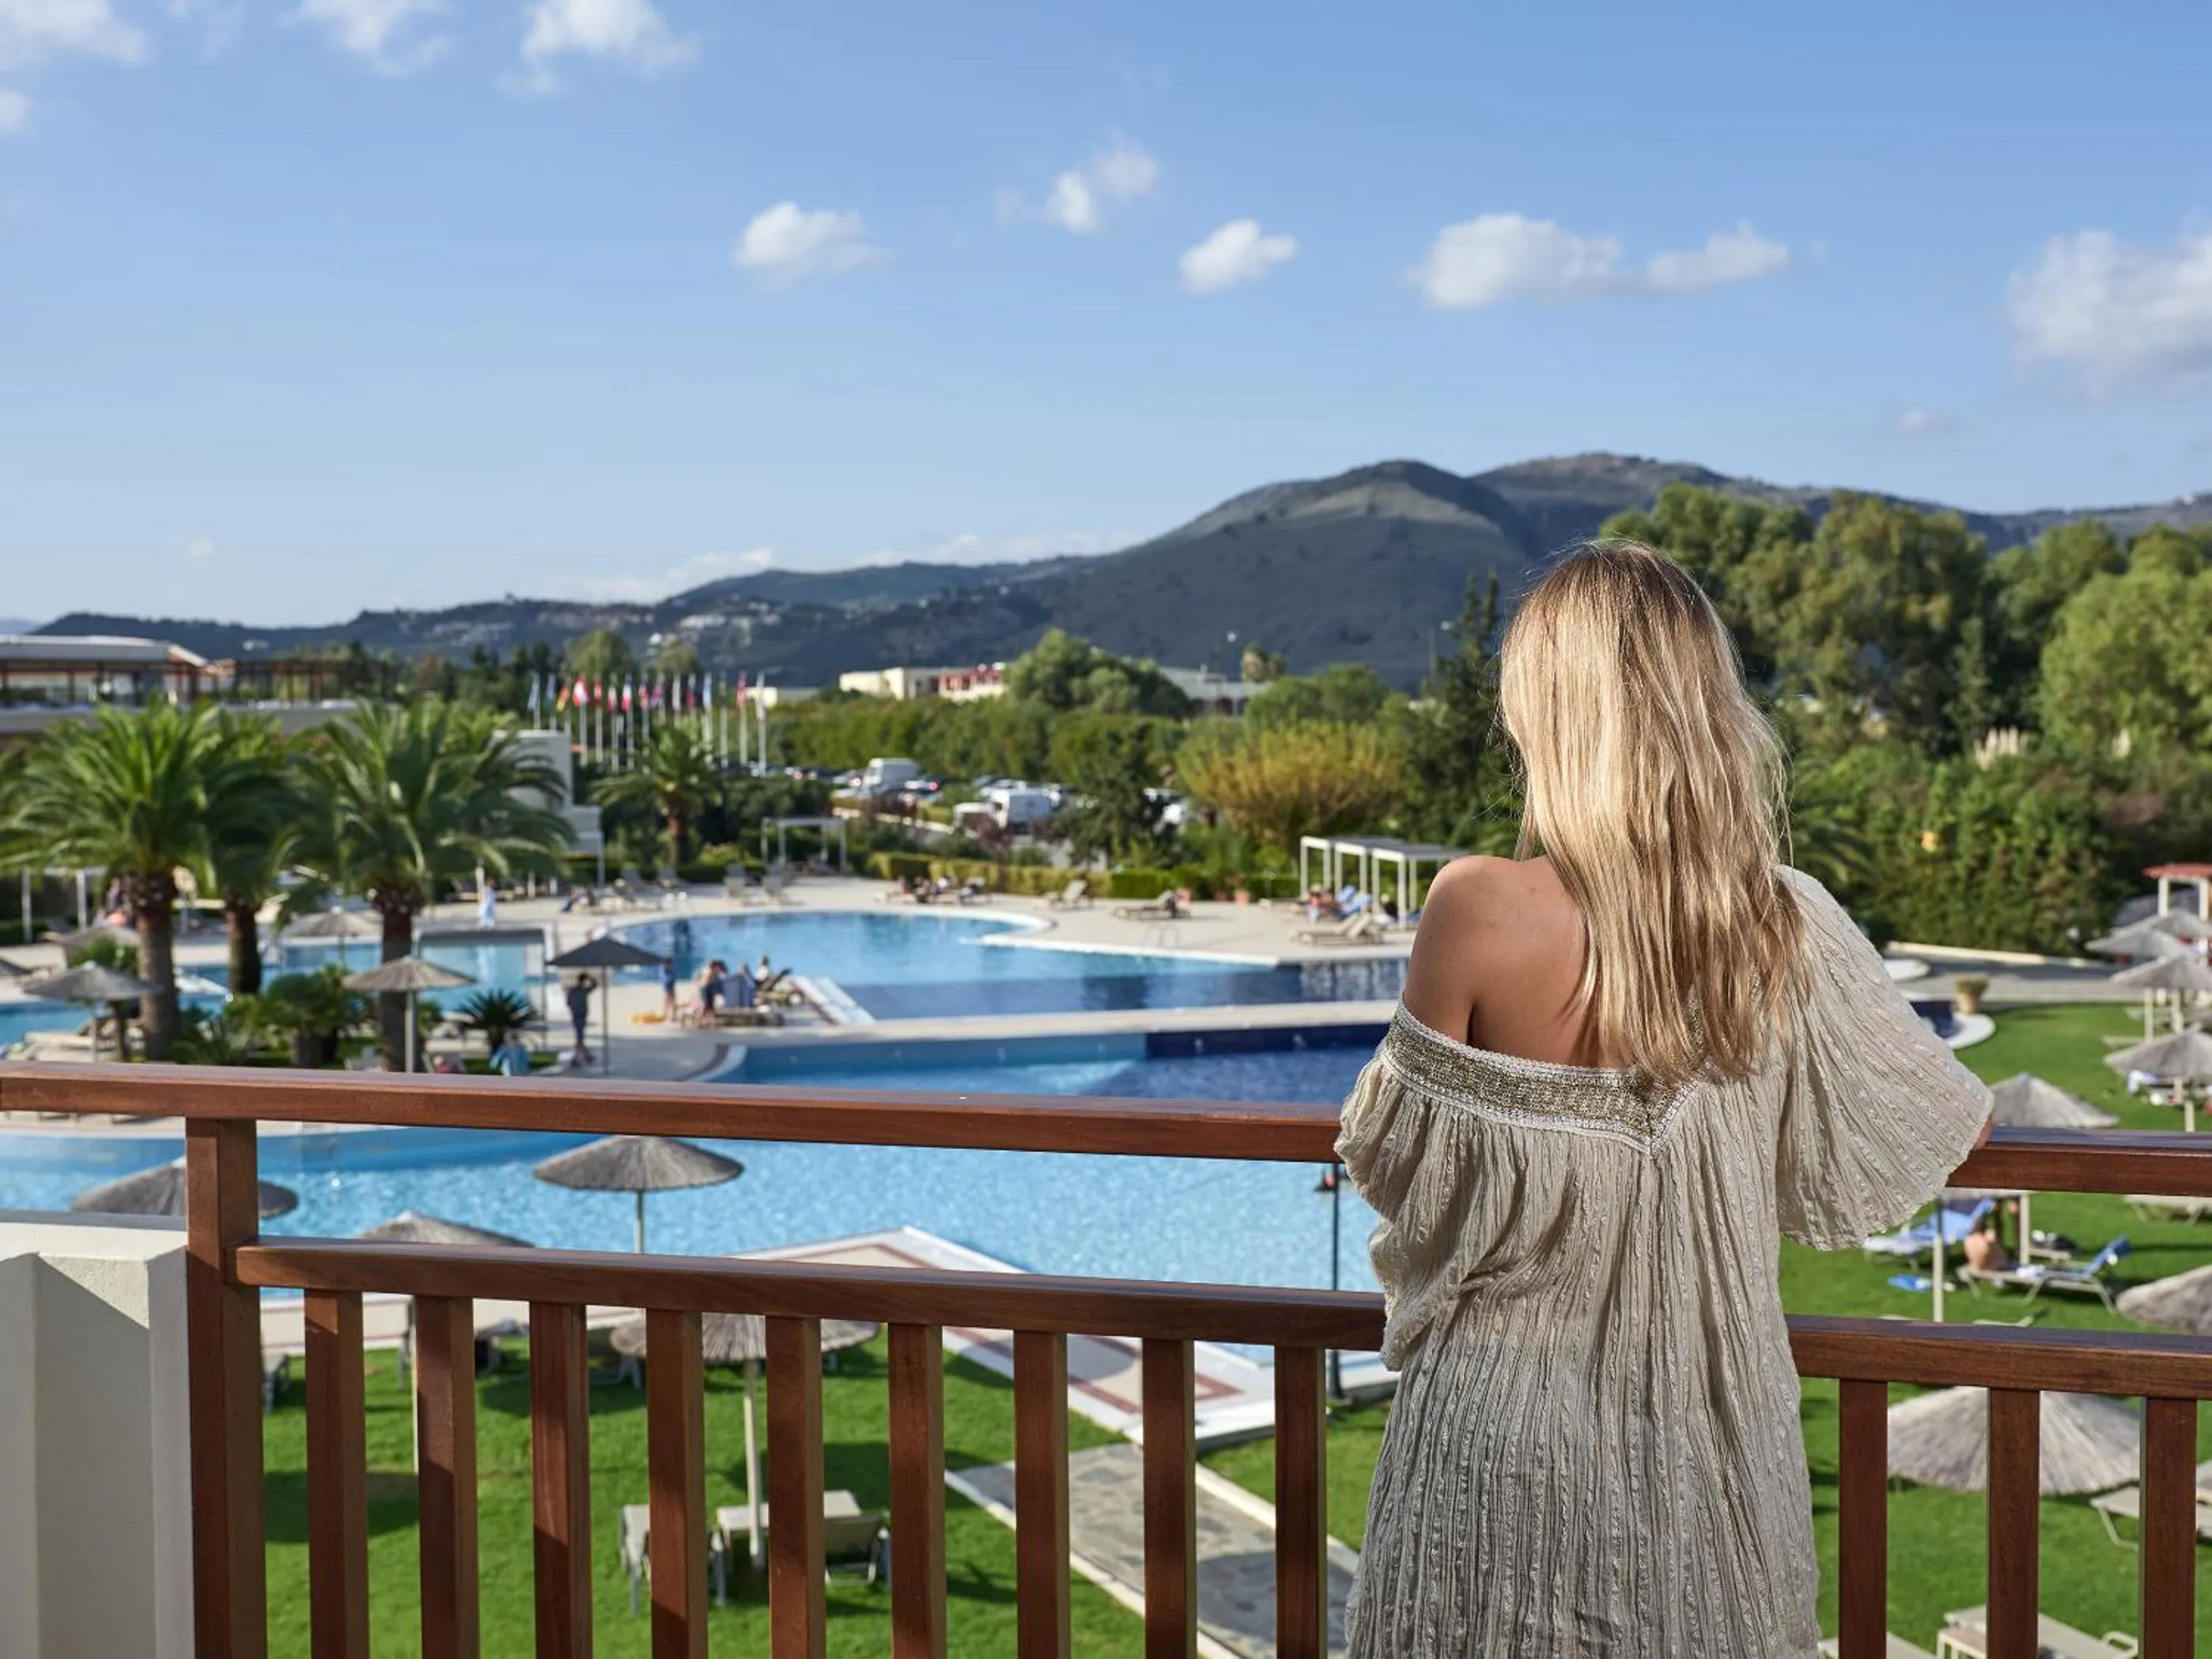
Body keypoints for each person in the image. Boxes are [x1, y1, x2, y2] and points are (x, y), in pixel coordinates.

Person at [1335, 542, 1992, 1659]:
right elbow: (1939, 1121)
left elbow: (1404, 1167)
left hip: (1491, 1445)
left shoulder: (1476, 906)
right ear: (1701, 703)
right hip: (1711, 1446)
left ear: (1542, 708)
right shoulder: (1784, 924)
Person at [1963, 1209, 2013, 1273]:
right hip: (1991, 1267)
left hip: (1977, 1267)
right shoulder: (1990, 1235)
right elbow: (2001, 1254)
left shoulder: (1968, 1240)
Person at [564, 974, 595, 1065]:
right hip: (580, 1014)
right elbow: (595, 985)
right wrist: (590, 978)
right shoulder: (582, 991)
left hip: (578, 1014)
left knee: (580, 1036)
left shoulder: (576, 991)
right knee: (579, 1037)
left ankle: (585, 1056)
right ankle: (578, 1057)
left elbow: (568, 1003)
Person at [659, 955, 679, 1021]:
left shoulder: (669, 969)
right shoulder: (664, 970)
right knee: (669, 1001)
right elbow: (667, 979)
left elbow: (674, 977)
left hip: (670, 987)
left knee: (671, 1001)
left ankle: (671, 1015)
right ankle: (669, 1015)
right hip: (667, 987)